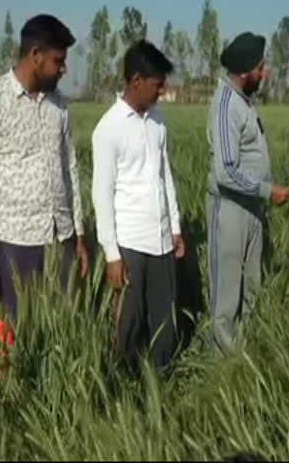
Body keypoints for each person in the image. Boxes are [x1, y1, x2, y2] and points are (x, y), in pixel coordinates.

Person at [0, 14, 88, 321]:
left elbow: (70, 169)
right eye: (58, 61)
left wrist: (79, 234)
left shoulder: (60, 105)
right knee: (18, 333)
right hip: (15, 244)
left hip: (60, 239)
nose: (64, 69)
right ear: (35, 55)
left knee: (63, 328)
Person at [91, 40, 184, 371]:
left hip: (161, 239)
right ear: (135, 81)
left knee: (164, 320)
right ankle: (126, 383)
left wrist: (175, 227)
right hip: (130, 243)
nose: (162, 91)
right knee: (128, 323)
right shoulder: (108, 129)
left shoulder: (158, 122)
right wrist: (112, 255)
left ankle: (163, 379)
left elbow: (164, 175)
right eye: (157, 84)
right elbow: (101, 194)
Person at [206, 32, 289, 352]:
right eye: (260, 67)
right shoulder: (225, 105)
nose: (265, 72)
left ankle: (245, 352)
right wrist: (268, 191)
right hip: (230, 209)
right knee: (227, 291)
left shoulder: (243, 102)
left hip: (251, 206)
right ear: (245, 72)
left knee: (251, 285)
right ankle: (221, 362)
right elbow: (225, 171)